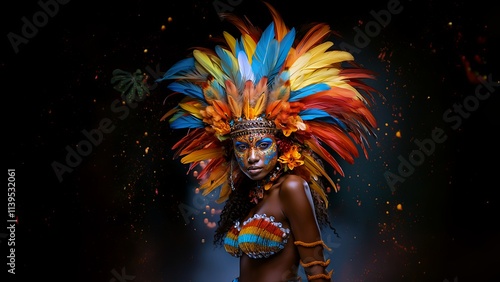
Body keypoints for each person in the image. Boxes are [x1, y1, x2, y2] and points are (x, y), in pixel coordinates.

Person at [157, 2, 379, 281]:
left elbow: (315, 268)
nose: (251, 157)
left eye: (263, 145)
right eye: (241, 147)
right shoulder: (250, 195)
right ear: (230, 151)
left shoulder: (292, 187)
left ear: (284, 145)